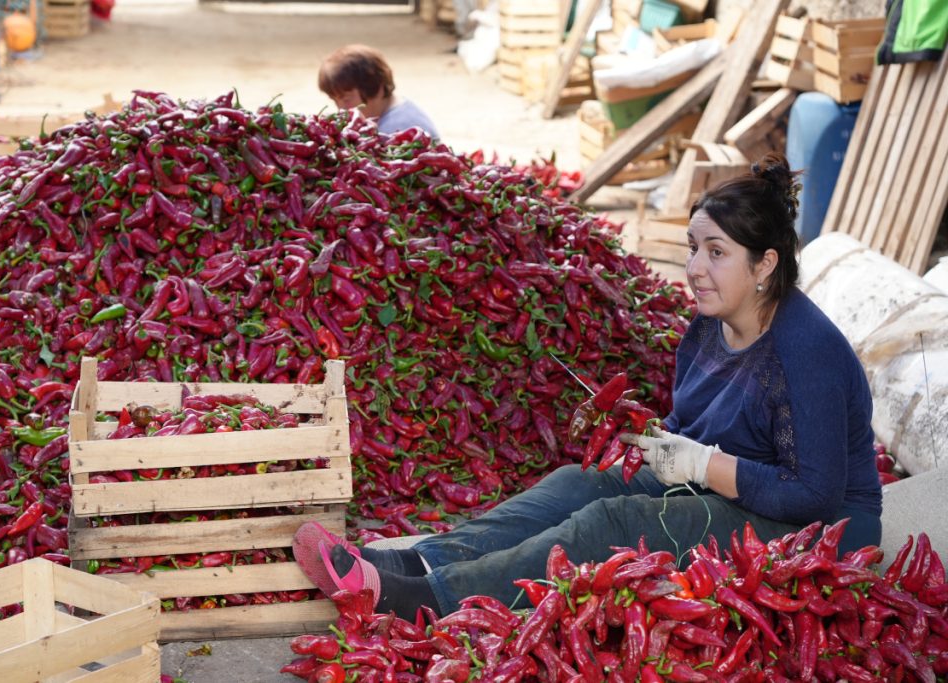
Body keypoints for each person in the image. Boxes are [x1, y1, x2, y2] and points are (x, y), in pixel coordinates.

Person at [293, 154, 883, 617]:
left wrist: (701, 466)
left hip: (810, 532)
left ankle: (424, 601)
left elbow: (815, 495)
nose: (695, 268)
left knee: (615, 523)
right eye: (692, 249)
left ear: (765, 265)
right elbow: (696, 428)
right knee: (583, 482)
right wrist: (666, 445)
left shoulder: (807, 351)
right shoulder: (709, 327)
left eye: (717, 252)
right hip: (733, 487)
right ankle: (413, 560)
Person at [318, 44, 439, 139]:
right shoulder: (397, 107)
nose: (341, 109)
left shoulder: (398, 129)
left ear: (375, 87)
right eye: (334, 100)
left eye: (346, 99)